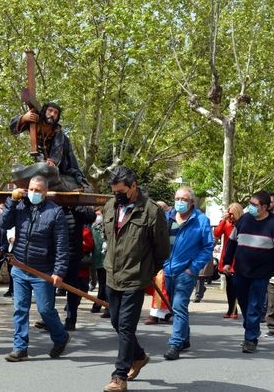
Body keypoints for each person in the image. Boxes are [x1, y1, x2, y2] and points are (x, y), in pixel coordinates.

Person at [101, 166, 170, 392]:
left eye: (121, 191)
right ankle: (139, 356)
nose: (117, 196)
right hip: (112, 275)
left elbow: (161, 250)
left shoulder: (151, 211)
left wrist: (147, 271)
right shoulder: (111, 206)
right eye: (114, 191)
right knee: (115, 323)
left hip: (135, 278)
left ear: (133, 186)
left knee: (125, 326)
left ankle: (119, 376)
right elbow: (108, 238)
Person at [0, 175, 71, 362]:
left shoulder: (55, 212)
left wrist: (59, 271)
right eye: (31, 189)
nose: (33, 193)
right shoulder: (20, 206)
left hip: (43, 271)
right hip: (20, 267)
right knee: (20, 309)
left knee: (46, 310)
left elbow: (62, 245)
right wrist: (11, 201)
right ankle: (20, 348)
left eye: (38, 190)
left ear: (45, 192)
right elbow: (3, 224)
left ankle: (61, 337)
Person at [222, 191, 274, 354]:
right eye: (250, 203)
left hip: (261, 273)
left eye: (254, 205)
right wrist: (226, 262)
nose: (250, 207)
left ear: (265, 207)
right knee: (245, 304)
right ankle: (251, 328)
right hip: (240, 271)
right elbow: (231, 242)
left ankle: (250, 339)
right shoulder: (244, 220)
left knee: (254, 306)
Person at [161, 186, 213, 361]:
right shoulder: (167, 218)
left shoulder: (201, 220)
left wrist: (193, 268)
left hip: (186, 272)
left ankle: (175, 343)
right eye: (177, 198)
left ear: (191, 202)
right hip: (168, 270)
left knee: (179, 305)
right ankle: (185, 338)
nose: (179, 202)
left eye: (183, 199)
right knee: (175, 307)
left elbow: (207, 247)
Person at [10, 101, 90, 191]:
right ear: (44, 111)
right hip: (42, 162)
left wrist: (52, 161)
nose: (52, 114)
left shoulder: (58, 132)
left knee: (50, 170)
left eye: (56, 113)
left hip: (61, 165)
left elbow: (58, 150)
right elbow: (12, 130)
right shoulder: (35, 122)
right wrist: (23, 118)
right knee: (21, 172)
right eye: (50, 110)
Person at [59, 203, 96, 331]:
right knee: (48, 288)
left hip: (73, 256)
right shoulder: (52, 207)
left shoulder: (77, 210)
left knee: (72, 290)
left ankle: (71, 319)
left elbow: (91, 216)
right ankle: (48, 319)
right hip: (54, 257)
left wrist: (76, 205)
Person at [215, 203, 243, 318]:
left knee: (237, 285)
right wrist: (223, 220)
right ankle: (231, 309)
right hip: (228, 258)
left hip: (239, 258)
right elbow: (216, 233)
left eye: (232, 213)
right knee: (229, 286)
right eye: (229, 213)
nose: (230, 216)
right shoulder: (226, 223)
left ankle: (235, 309)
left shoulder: (243, 224)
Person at [90, 207, 108, 314]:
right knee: (102, 283)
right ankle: (100, 304)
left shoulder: (104, 227)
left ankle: (101, 305)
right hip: (98, 259)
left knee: (105, 284)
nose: (97, 216)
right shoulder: (94, 226)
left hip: (105, 259)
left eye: (99, 214)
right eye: (96, 214)